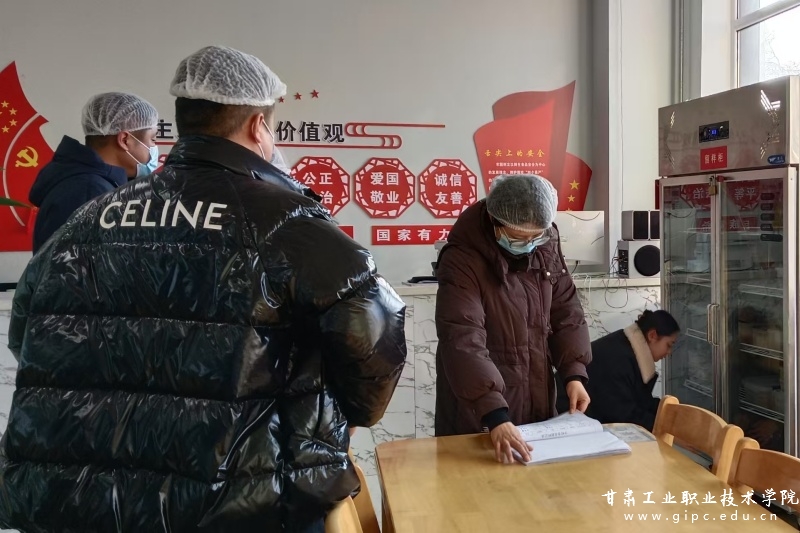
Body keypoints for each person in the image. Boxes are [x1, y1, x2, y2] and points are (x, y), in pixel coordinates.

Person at [1, 45, 406, 533]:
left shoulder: (87, 219)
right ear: (258, 127)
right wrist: (351, 413)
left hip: (84, 501)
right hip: (241, 500)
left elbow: (27, 334)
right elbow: (372, 330)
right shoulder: (285, 221)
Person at [434, 173, 593, 464]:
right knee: (477, 485)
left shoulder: (546, 245)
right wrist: (493, 412)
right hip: (479, 407)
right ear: (494, 221)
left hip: (536, 394)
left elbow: (566, 310)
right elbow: (462, 336)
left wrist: (573, 372)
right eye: (519, 237)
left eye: (536, 236)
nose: (529, 244)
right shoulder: (462, 259)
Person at [28, 92, 159, 253]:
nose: (154, 148)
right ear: (125, 140)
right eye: (152, 139)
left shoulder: (94, 183)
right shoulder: (88, 192)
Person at [585, 310, 680, 432]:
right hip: (576, 423)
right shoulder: (617, 358)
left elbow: (641, 401)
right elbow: (624, 415)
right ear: (652, 335)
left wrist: (672, 414)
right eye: (669, 345)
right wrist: (668, 428)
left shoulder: (626, 345)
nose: (669, 352)